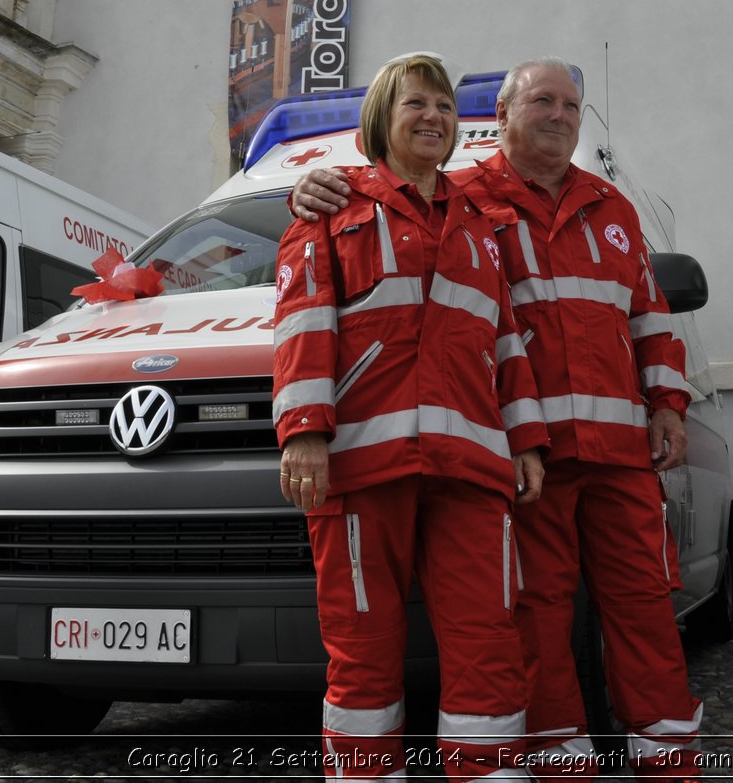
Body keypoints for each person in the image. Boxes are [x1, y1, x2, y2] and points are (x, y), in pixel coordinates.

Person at [292, 57, 702, 781]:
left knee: (639, 616)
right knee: (531, 625)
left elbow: (643, 316)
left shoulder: (601, 207)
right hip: (478, 459)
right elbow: (313, 318)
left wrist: (667, 403)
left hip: (583, 455)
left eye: (572, 105)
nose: (560, 114)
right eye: (542, 100)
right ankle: (558, 770)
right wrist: (305, 431)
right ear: (503, 116)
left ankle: (670, 768)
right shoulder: (467, 202)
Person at [274, 52, 548, 781]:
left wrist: (524, 441)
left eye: (445, 107)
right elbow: (304, 324)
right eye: (415, 104)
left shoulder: (478, 223)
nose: (433, 117)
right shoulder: (332, 210)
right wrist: (304, 435)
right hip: (363, 467)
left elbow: (505, 337)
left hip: (472, 471)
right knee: (362, 649)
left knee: (487, 642)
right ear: (381, 121)